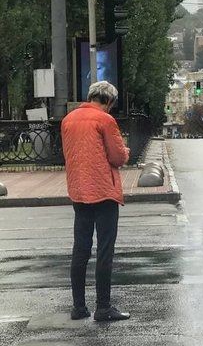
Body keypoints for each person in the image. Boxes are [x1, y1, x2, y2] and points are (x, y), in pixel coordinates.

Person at [61, 81, 131, 322]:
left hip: (79, 191)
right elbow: (117, 157)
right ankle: (103, 308)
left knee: (80, 249)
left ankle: (78, 307)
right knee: (104, 250)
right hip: (103, 191)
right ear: (109, 101)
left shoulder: (68, 120)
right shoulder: (105, 120)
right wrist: (127, 152)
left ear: (90, 96)